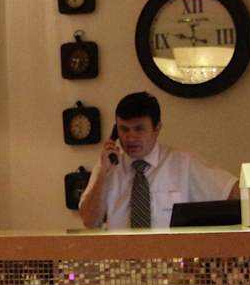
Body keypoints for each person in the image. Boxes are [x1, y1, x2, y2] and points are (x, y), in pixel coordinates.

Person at [77, 91, 238, 230]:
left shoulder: (183, 164)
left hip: (171, 255)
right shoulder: (107, 166)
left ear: (157, 128)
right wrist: (102, 176)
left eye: (139, 129)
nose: (130, 138)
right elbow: (90, 222)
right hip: (120, 256)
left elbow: (232, 192)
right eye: (124, 129)